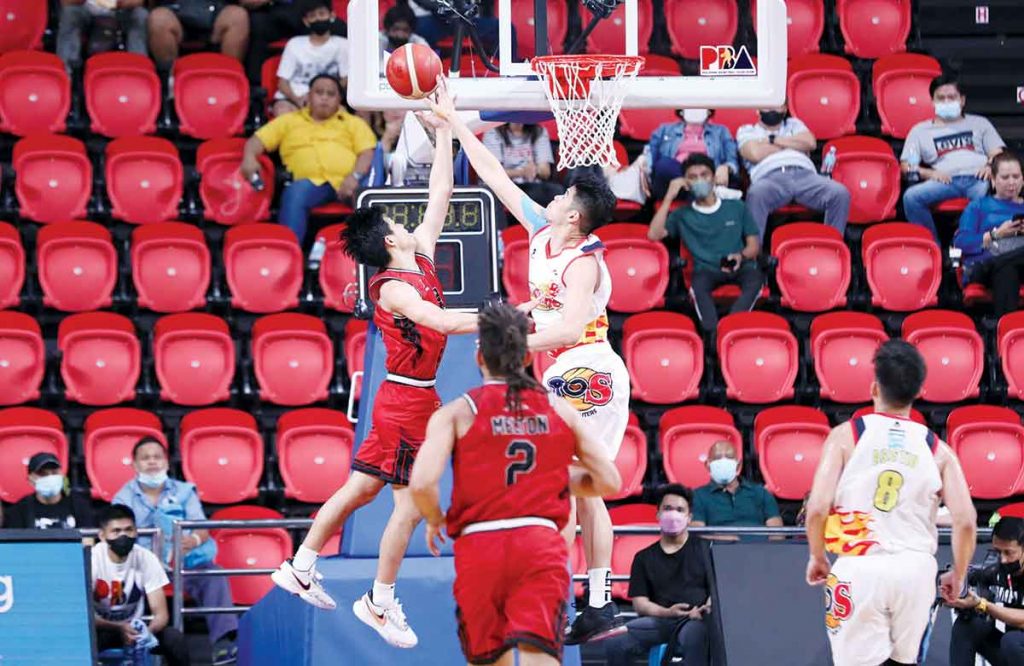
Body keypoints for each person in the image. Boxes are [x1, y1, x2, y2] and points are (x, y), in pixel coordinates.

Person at [271, 104, 480, 649]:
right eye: (396, 224)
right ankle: (379, 600)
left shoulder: (422, 259)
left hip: (415, 400)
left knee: (363, 489)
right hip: (406, 403)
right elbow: (440, 321)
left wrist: (445, 139)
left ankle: (303, 565)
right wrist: (509, 318)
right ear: (390, 241)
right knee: (405, 505)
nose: (406, 225)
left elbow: (441, 197)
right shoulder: (393, 287)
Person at [430, 82, 631, 645]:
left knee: (580, 486)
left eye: (565, 197)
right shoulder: (545, 232)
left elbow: (567, 327)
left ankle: (593, 599)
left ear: (576, 219)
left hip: (587, 363)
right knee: (578, 486)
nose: (555, 197)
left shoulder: (585, 263)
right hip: (562, 365)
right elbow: (496, 177)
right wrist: (455, 125)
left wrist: (513, 338)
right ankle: (593, 602)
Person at [408, 303, 621, 666]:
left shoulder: (458, 411)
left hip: (481, 542)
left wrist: (433, 518)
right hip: (539, 544)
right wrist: (555, 477)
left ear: (480, 357)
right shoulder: (558, 407)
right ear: (526, 357)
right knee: (541, 656)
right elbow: (608, 481)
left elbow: (423, 484)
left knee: (490, 658)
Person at [804, 339, 977, 666]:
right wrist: (959, 571)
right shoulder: (937, 449)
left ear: (874, 387)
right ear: (918, 392)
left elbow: (816, 508)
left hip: (860, 563)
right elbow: (966, 520)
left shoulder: (846, 435)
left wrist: (817, 556)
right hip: (915, 569)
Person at [112, 437, 238, 665]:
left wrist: (194, 538)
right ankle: (130, 646)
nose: (152, 462)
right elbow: (117, 532)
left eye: (157, 457)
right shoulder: (123, 497)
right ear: (135, 465)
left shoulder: (184, 491)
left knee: (213, 575)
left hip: (184, 564)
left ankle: (223, 645)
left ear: (167, 463)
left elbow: (202, 527)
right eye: (145, 457)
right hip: (141, 567)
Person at [242, 74, 377, 246]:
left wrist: (355, 177)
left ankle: (370, 260)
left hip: (350, 183)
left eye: (331, 94)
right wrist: (249, 158)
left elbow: (367, 153)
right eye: (319, 92)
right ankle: (290, 255)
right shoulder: (288, 121)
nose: (324, 97)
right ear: (308, 96)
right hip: (310, 185)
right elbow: (256, 141)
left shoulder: (353, 123)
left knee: (372, 198)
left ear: (340, 100)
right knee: (295, 193)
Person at [648, 153, 763, 335]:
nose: (700, 180)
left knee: (756, 279)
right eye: (693, 177)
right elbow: (654, 235)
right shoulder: (681, 214)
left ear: (713, 177)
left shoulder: (736, 206)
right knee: (698, 286)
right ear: (686, 182)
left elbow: (754, 246)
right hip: (706, 270)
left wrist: (740, 256)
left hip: (740, 265)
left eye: (704, 175)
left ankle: (730, 327)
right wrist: (669, 197)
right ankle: (713, 334)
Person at [603, 484, 713, 666]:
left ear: (689, 517)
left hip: (695, 620)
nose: (673, 514)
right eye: (667, 508)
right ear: (658, 514)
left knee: (696, 637)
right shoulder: (643, 557)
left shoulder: (705, 550)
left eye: (679, 510)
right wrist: (668, 612)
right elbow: (640, 604)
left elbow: (717, 591)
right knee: (616, 642)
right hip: (660, 621)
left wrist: (704, 610)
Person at [902, 76, 1006, 243]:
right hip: (945, 180)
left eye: (952, 97)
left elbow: (998, 152)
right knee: (911, 197)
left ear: (962, 100)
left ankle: (973, 246)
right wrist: (928, 173)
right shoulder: (920, 131)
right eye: (941, 98)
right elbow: (907, 165)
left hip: (978, 177)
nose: (946, 101)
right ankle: (932, 248)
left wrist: (990, 165)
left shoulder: (979, 123)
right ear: (932, 102)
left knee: (984, 200)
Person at [92, 504, 191, 666]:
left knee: (174, 639)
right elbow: (85, 615)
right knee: (81, 639)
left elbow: (161, 614)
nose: (123, 536)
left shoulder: (146, 558)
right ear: (102, 536)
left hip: (136, 629)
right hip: (103, 628)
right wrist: (118, 627)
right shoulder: (92, 559)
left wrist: (148, 631)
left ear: (136, 531)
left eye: (129, 529)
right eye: (116, 531)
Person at [737, 103, 851, 240]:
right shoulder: (747, 130)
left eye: (777, 105)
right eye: (767, 106)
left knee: (840, 193)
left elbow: (810, 143)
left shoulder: (794, 124)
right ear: (758, 110)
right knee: (755, 194)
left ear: (785, 109)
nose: (772, 109)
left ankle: (832, 247)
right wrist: (793, 145)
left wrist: (772, 140)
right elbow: (755, 154)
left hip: (805, 175)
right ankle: (752, 257)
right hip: (769, 178)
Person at [952, 150, 1024, 316]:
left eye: (1016, 176)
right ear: (992, 179)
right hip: (985, 266)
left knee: (1006, 265)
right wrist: (996, 234)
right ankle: (1008, 334)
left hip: (1014, 261)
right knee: (1007, 270)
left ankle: (1004, 332)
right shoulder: (978, 206)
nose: (1011, 182)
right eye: (1005, 178)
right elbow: (961, 243)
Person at [947, 517, 1024, 665]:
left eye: (1009, 552)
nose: (1002, 560)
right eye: (997, 552)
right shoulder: (997, 571)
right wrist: (953, 591)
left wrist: (982, 604)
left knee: (1012, 641)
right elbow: (970, 577)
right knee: (968, 625)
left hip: (1016, 646)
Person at [271, 0, 349, 117]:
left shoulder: (343, 45)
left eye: (322, 14)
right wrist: (297, 99)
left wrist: (325, 97)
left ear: (332, 15)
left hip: (327, 100)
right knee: (282, 111)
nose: (318, 19)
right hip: (294, 99)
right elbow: (282, 83)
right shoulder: (294, 44)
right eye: (312, 16)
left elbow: (345, 80)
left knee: (343, 116)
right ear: (306, 21)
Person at [643, 108, 739, 201]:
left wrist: (726, 167)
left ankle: (701, 192)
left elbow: (732, 161)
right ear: (681, 110)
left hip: (707, 176)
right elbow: (650, 154)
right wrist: (643, 161)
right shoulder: (664, 129)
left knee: (704, 173)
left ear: (709, 110)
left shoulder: (721, 131)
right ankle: (709, 192)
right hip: (674, 182)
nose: (695, 109)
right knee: (664, 164)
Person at [690, 441, 783, 528]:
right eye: (718, 458)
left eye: (729, 457)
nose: (723, 461)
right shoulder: (697, 496)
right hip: (717, 545)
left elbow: (777, 532)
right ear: (707, 465)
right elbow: (697, 534)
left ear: (738, 465)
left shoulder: (761, 493)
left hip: (758, 545)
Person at [147, 0, 250, 75]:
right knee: (158, 20)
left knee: (238, 17)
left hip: (217, 11)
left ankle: (230, 78)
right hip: (174, 11)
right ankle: (169, 80)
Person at [2, 452, 95, 530]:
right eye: (43, 474)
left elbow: (88, 540)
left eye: (54, 473)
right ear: (30, 479)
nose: (50, 477)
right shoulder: (20, 510)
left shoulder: (79, 504)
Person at [57, 0, 149, 75]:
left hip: (121, 10)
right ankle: (67, 72)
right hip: (86, 10)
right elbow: (66, 2)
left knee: (140, 14)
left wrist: (119, 3)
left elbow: (138, 1)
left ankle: (139, 71)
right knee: (69, 13)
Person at [482, 123, 563, 207]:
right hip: (504, 185)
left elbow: (546, 172)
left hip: (530, 185)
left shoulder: (539, 131)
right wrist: (521, 172)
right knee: (496, 195)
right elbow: (492, 173)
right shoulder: (493, 133)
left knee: (556, 191)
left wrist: (536, 170)